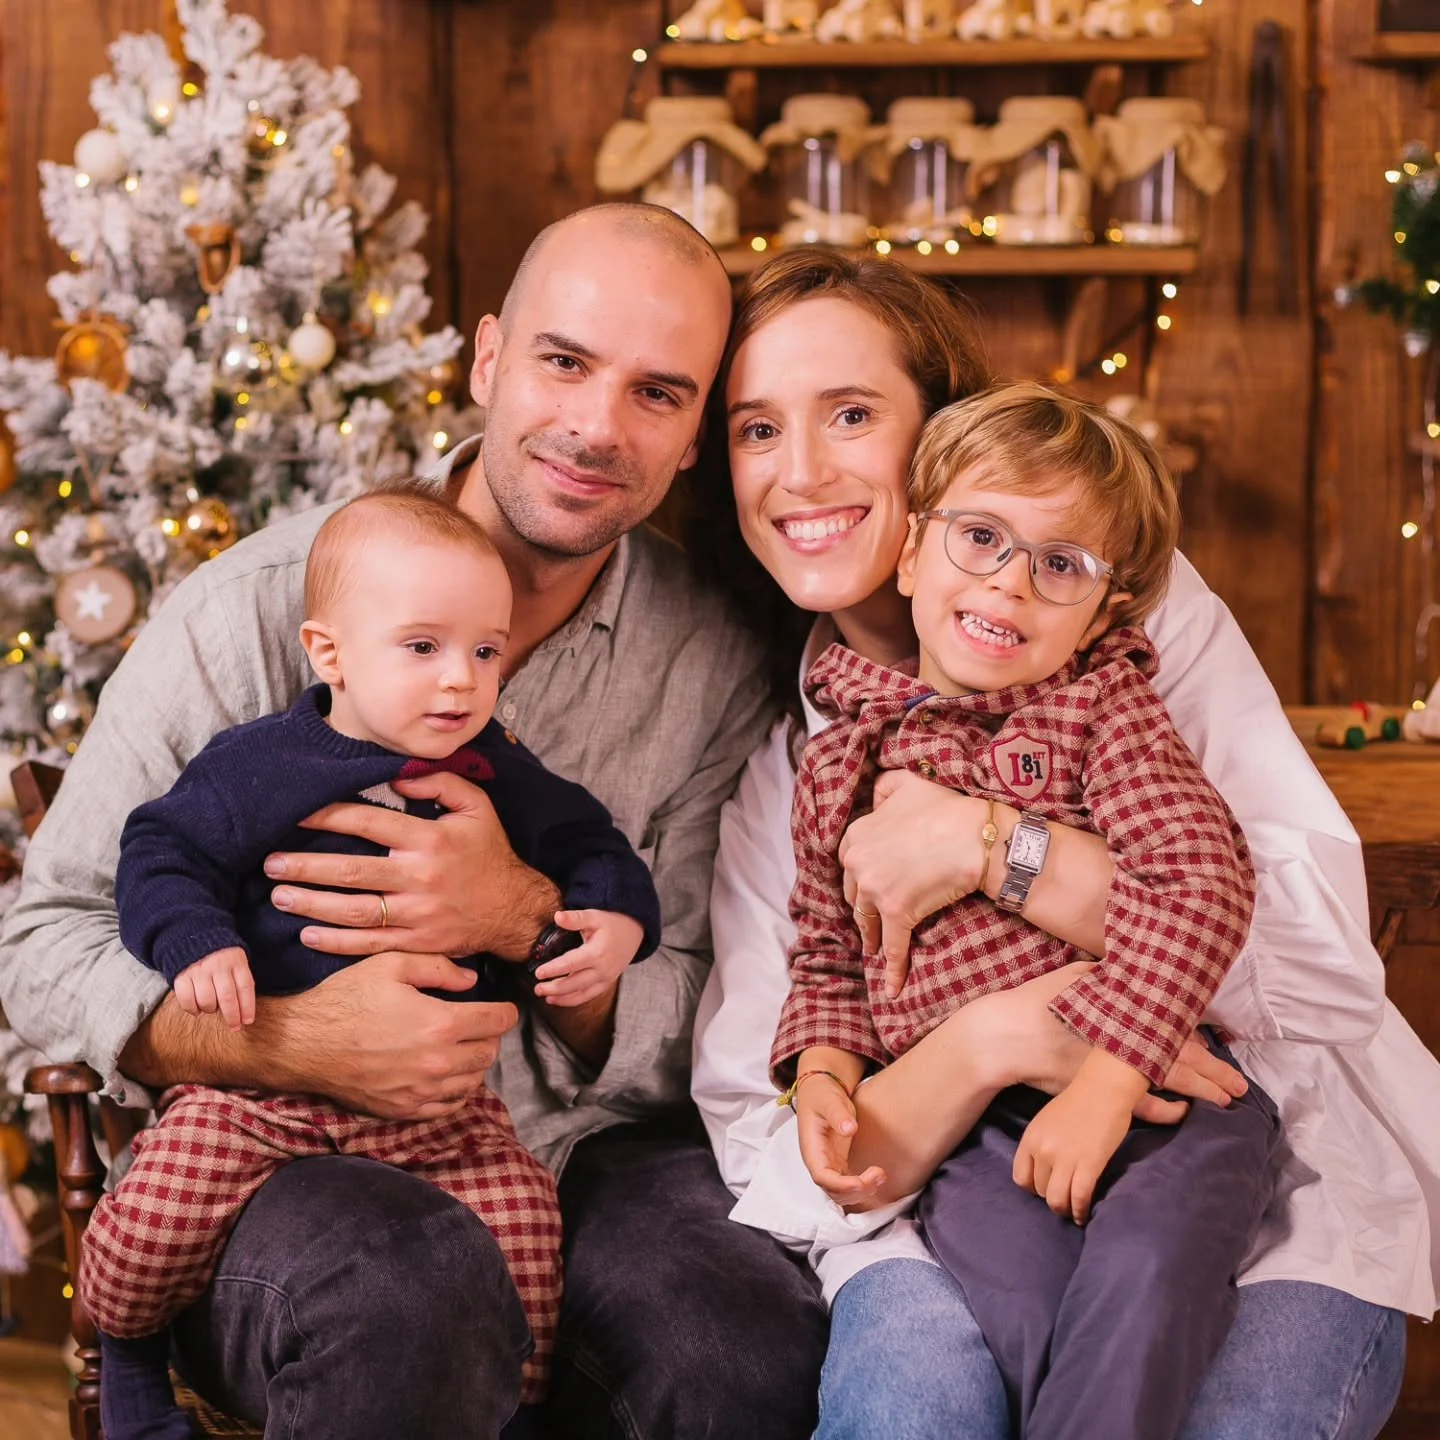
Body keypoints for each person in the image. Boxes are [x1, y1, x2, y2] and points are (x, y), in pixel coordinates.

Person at [0, 204, 832, 1440]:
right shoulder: (256, 611)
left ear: (694, 434)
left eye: (657, 393)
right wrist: (289, 1041)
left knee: (738, 1341)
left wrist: (525, 919)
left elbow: (729, 1003)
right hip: (281, 1157)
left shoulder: (712, 656)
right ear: (487, 359)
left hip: (587, 1151)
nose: (598, 427)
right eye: (564, 361)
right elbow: (43, 942)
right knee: (410, 1297)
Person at [690, 247, 1440, 1440]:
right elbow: (778, 1139)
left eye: (852, 414)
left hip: (1229, 1139)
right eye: (757, 428)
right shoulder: (804, 758)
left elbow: (1315, 966)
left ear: (940, 435)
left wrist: (993, 847)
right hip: (956, 1184)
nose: (804, 470)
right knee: (922, 1409)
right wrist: (991, 1039)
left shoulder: (1116, 644)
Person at [86, 487, 664, 1440]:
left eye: (485, 652)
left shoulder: (494, 768)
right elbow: (160, 852)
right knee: (154, 1216)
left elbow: (590, 844)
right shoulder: (261, 763)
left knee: (525, 1221)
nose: (460, 682)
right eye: (423, 647)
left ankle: (512, 1413)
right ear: (331, 654)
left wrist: (614, 919)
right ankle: (129, 1361)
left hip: (440, 1108)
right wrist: (199, 941)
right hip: (259, 1094)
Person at [775, 383, 1280, 1439]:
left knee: (1144, 1278)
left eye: (1061, 564)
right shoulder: (836, 763)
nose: (1010, 582)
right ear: (910, 554)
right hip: (974, 1135)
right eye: (980, 538)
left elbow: (1200, 880)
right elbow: (826, 957)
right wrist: (821, 1074)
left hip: (1165, 1092)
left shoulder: (1099, 711)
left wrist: (1107, 1080)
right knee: (1025, 1311)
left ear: (1105, 607)